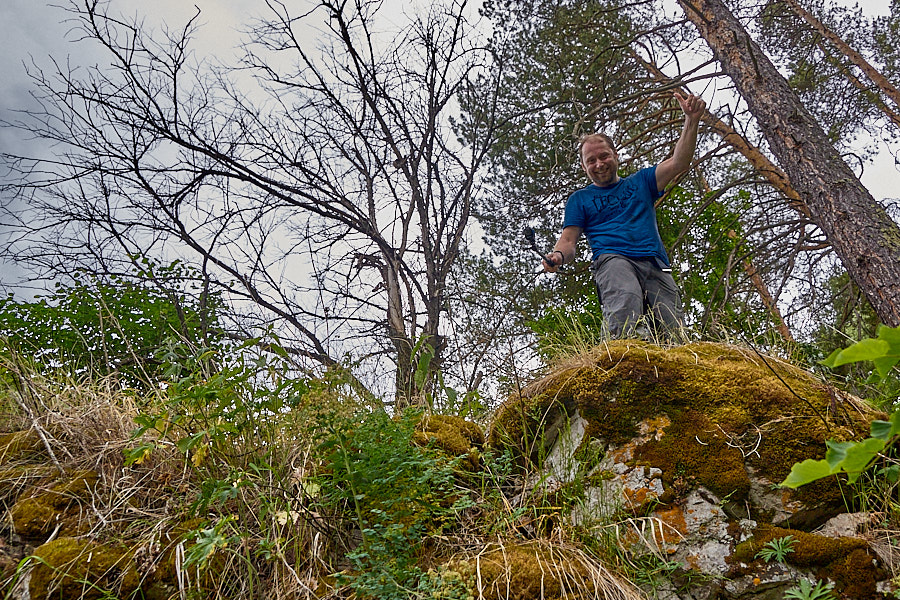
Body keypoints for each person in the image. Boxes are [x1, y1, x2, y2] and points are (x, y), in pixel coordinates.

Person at [543, 91, 706, 339]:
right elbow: (568, 241)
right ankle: (622, 359)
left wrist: (692, 120)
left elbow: (679, 162)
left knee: (674, 330)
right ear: (584, 166)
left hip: (655, 263)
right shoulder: (580, 199)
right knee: (625, 304)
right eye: (591, 160)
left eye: (604, 156)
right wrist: (557, 256)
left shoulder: (642, 182)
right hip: (613, 260)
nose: (599, 164)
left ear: (615, 155)